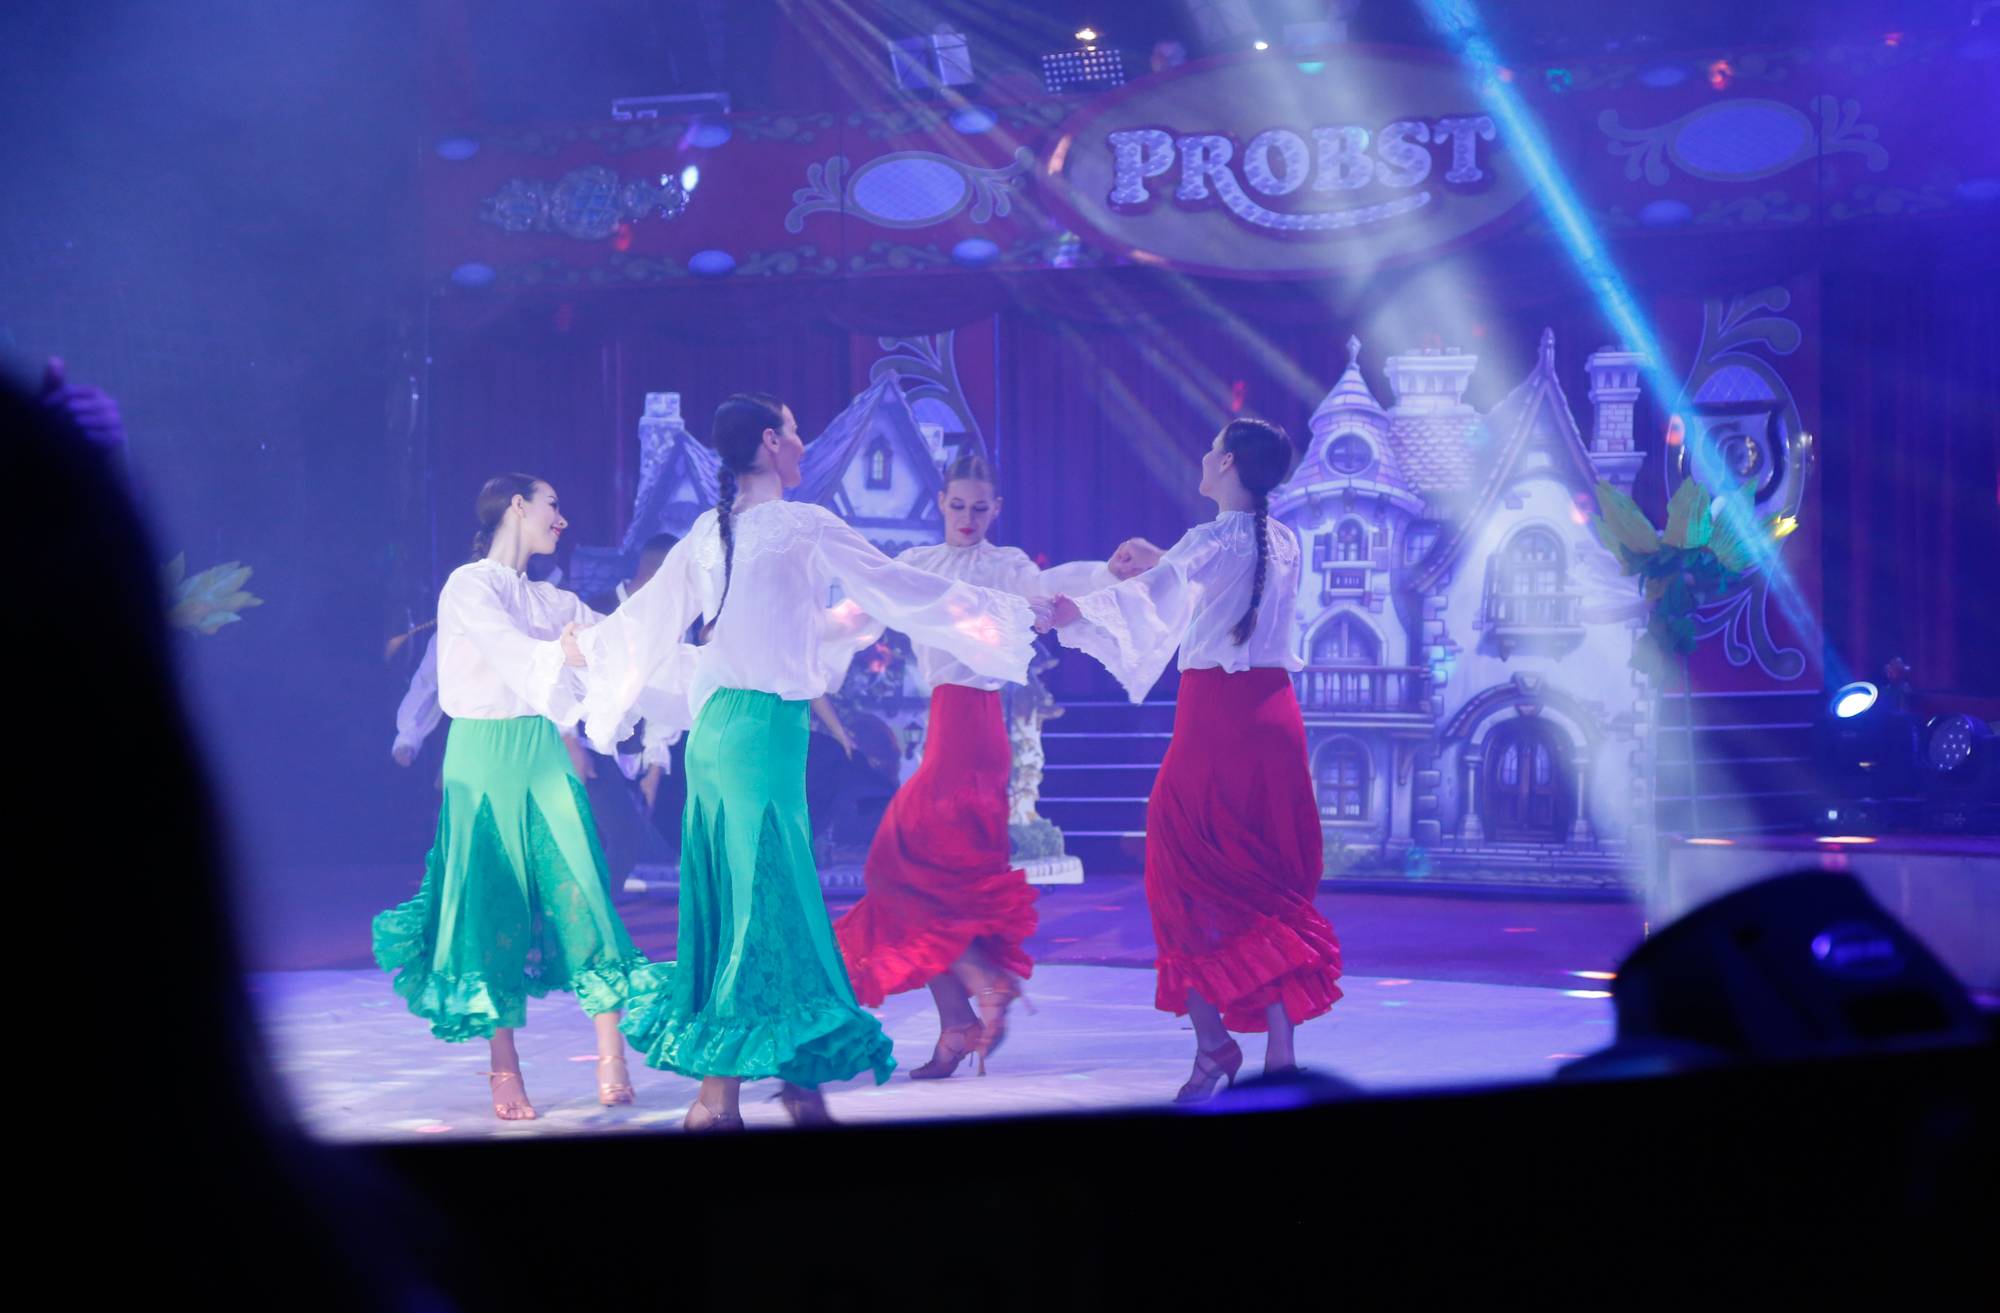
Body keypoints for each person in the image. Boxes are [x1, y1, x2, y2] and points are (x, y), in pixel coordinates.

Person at [566, 393, 1044, 1130]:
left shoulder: (710, 530)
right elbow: (897, 588)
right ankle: (722, 1096)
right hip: (759, 737)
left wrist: (592, 658)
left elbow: (653, 622)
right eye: (793, 431)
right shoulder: (801, 524)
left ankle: (779, 1082)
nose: (802, 442)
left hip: (720, 735)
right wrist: (999, 619)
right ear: (770, 441)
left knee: (745, 904)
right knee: (764, 907)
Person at [1045, 418, 1343, 1102]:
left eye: (1212, 448)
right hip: (1276, 718)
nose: (1204, 456)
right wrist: (1164, 560)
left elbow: (1152, 600)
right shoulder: (1284, 539)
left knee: (1179, 873)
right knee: (1264, 877)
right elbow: (1203, 579)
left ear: (1229, 461)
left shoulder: (1211, 539)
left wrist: (1071, 612)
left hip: (1216, 718)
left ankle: (1213, 1045)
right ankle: (1280, 1051)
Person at [372, 472, 649, 1120]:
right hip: (482, 752)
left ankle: (612, 1054)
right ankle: (504, 1065)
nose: (562, 518)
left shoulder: (551, 598)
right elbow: (509, 651)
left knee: (583, 887)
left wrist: (669, 622)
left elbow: (616, 638)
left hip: (541, 749)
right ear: (518, 506)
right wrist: (564, 653)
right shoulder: (468, 586)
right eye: (554, 504)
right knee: (491, 906)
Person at [835, 451, 1107, 1078]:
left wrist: (1091, 583)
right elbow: (860, 603)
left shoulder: (1006, 566)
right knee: (933, 884)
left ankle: (983, 983)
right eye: (957, 505)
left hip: (975, 729)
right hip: (947, 725)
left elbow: (1049, 592)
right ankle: (957, 1023)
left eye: (979, 508)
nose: (967, 517)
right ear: (940, 503)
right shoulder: (918, 563)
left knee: (898, 868)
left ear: (996, 509)